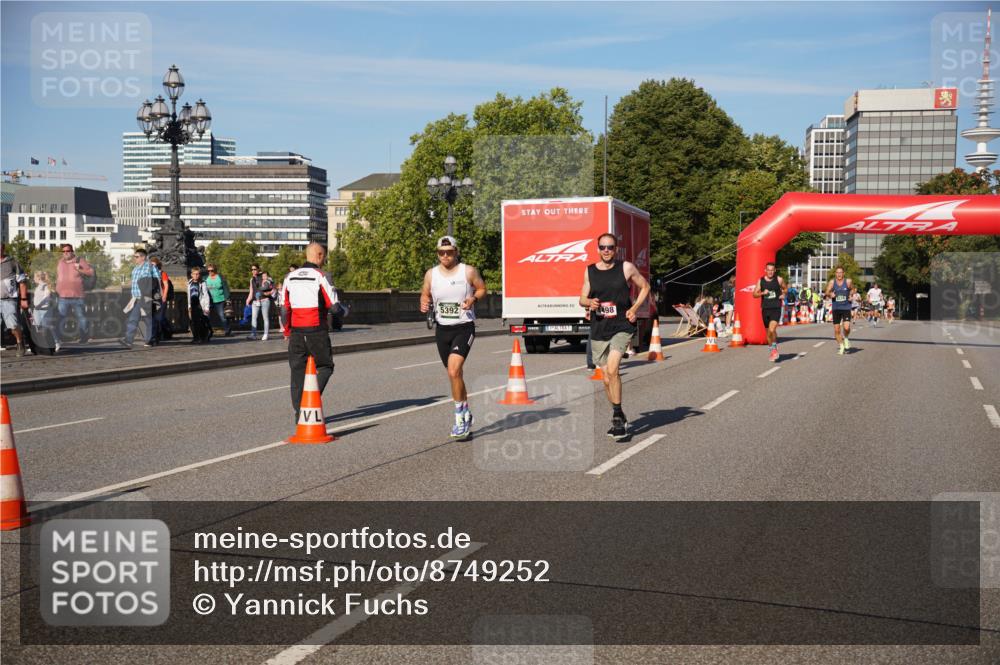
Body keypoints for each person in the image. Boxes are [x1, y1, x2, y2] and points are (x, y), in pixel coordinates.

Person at [579, 232, 651, 440]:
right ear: (598, 249)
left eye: (610, 247)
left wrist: (635, 308)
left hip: (621, 326)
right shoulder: (590, 271)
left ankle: (618, 418)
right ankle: (618, 412)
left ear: (616, 249)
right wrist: (588, 303)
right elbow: (582, 297)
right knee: (606, 378)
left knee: (613, 370)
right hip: (599, 327)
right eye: (603, 247)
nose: (606, 250)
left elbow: (645, 287)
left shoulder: (626, 267)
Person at [419, 235, 487, 440]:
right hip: (443, 329)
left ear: (456, 252)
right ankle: (466, 411)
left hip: (464, 328)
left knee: (454, 369)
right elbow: (425, 294)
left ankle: (459, 419)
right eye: (441, 252)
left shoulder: (468, 271)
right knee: (454, 375)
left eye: (449, 252)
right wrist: (423, 302)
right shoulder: (431, 274)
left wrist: (473, 298)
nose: (445, 256)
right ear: (437, 254)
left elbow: (483, 288)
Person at [283, 243, 337, 423]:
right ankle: (310, 401)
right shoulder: (322, 275)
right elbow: (334, 306)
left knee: (297, 372)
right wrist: (344, 311)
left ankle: (299, 414)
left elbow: (284, 309)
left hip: (296, 332)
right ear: (320, 255)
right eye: (325, 256)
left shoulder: (289, 277)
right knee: (325, 367)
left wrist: (287, 330)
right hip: (316, 330)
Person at [120, 248, 160, 349]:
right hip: (136, 298)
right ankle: (129, 340)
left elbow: (157, 281)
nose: (135, 258)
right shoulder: (135, 269)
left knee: (147, 320)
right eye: (134, 257)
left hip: (146, 297)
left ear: (143, 257)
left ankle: (150, 340)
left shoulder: (150, 267)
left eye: (137, 257)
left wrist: (157, 296)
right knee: (133, 319)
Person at [55, 243, 94, 346]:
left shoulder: (79, 261)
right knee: (60, 318)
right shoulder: (60, 262)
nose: (65, 253)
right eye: (63, 251)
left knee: (81, 317)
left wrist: (79, 269)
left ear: (72, 251)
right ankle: (58, 339)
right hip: (62, 296)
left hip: (77, 296)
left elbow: (91, 273)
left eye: (68, 251)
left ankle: (84, 338)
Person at [752, 261, 785, 362]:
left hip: (776, 308)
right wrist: (762, 293)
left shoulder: (779, 279)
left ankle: (774, 349)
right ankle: (772, 350)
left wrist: (783, 294)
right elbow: (754, 294)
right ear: (765, 270)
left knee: (772, 329)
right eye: (768, 270)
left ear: (775, 270)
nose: (770, 272)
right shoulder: (760, 281)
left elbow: (785, 289)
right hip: (765, 309)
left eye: (772, 270)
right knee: (768, 334)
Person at [1, 243, 29, 356]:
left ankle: (20, 343)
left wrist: (23, 299)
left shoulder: (12, 262)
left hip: (9, 299)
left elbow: (22, 282)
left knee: (13, 325)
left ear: (2, 249)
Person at [825, 266, 854, 355]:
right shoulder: (832, 282)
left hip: (846, 307)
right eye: (837, 272)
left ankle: (846, 338)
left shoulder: (848, 281)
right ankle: (841, 346)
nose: (839, 274)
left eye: (840, 272)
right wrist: (830, 294)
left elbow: (853, 289)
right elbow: (826, 292)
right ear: (835, 274)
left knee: (846, 327)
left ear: (843, 273)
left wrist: (850, 295)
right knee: (837, 330)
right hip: (836, 308)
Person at [246, 263, 274, 341]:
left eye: (255, 269)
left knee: (265, 318)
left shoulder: (263, 276)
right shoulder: (252, 279)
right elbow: (251, 291)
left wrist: (269, 292)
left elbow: (272, 285)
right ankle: (253, 334)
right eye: (252, 269)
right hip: (255, 301)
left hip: (265, 300)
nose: (253, 271)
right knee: (254, 318)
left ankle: (266, 334)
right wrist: (248, 299)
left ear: (258, 269)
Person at [149, 257, 174, 342]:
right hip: (153, 298)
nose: (152, 266)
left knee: (160, 317)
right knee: (155, 318)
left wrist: (164, 296)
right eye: (151, 265)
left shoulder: (162, 273)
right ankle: (157, 335)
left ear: (157, 265)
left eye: (153, 265)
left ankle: (166, 332)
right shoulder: (150, 274)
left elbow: (166, 285)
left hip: (161, 297)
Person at [32, 271, 57, 352]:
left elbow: (47, 297)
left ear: (38, 278)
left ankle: (55, 343)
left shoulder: (46, 286)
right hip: (37, 310)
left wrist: (39, 305)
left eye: (34, 277)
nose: (33, 279)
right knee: (37, 327)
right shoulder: (38, 287)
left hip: (45, 309)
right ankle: (40, 345)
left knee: (47, 327)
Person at [204, 263, 232, 336]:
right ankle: (208, 331)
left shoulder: (220, 277)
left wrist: (227, 298)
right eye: (208, 271)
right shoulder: (205, 278)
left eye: (212, 270)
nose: (210, 272)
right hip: (209, 300)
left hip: (220, 300)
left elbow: (226, 288)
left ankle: (227, 330)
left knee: (222, 316)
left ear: (215, 270)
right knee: (207, 316)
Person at [187, 266, 212, 344]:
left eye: (197, 274)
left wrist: (207, 307)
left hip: (200, 305)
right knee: (193, 322)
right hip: (192, 305)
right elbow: (188, 295)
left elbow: (206, 295)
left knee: (201, 322)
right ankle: (195, 337)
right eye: (194, 274)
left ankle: (202, 337)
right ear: (191, 274)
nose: (196, 275)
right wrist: (189, 306)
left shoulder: (202, 283)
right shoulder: (189, 282)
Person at [275, 264, 298, 338]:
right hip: (288, 300)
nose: (291, 271)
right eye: (290, 269)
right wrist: (284, 301)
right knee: (285, 316)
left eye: (293, 269)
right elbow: (285, 289)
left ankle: (294, 332)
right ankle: (287, 333)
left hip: (297, 300)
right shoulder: (287, 277)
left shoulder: (299, 277)